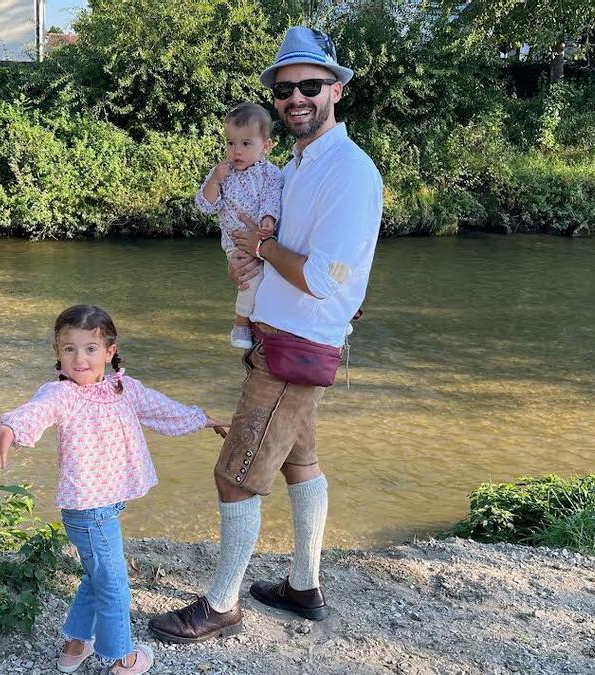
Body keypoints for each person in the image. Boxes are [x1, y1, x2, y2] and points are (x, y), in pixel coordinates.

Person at [147, 26, 383, 643]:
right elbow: (304, 259)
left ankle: (221, 604)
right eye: (286, 89)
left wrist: (262, 246)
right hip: (279, 335)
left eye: (311, 85)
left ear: (337, 90)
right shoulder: (300, 163)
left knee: (235, 472)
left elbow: (323, 279)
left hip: (294, 348)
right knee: (299, 462)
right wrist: (248, 261)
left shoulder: (351, 172)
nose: (297, 97)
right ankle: (304, 586)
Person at [0, 304, 227, 674]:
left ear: (110, 351)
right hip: (87, 510)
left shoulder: (124, 389)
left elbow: (163, 409)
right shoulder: (60, 395)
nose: (80, 358)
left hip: (107, 505)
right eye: (69, 349)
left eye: (90, 349)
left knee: (98, 577)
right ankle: (122, 658)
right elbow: (35, 412)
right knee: (114, 585)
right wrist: (9, 429)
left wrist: (203, 419)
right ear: (57, 352)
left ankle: (76, 646)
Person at [195, 103, 283, 349]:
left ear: (265, 146)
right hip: (237, 243)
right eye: (231, 143)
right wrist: (214, 180)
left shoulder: (271, 174)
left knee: (275, 278)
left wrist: (268, 220)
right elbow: (206, 206)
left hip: (265, 239)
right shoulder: (222, 173)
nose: (236, 151)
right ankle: (241, 323)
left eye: (246, 144)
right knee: (251, 278)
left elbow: (271, 199)